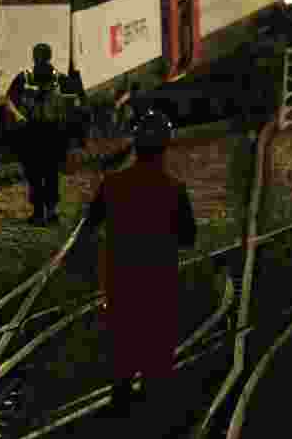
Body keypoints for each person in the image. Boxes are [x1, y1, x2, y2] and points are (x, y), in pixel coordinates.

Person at [80, 110, 197, 417]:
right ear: (165, 146)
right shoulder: (175, 190)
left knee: (122, 344)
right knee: (156, 350)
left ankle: (120, 403)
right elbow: (188, 238)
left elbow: (89, 224)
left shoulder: (113, 184)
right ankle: (152, 412)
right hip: (159, 282)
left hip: (121, 280)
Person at [5, 43, 72, 225]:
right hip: (38, 130)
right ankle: (44, 211)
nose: (40, 60)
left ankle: (45, 211)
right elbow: (9, 100)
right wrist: (18, 116)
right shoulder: (29, 78)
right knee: (40, 173)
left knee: (44, 173)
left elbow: (74, 104)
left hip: (45, 131)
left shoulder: (55, 79)